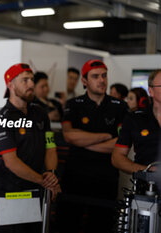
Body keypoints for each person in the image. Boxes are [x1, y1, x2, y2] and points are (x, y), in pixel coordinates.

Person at [57, 59, 128, 233]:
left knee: (101, 226)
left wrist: (84, 142)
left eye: (104, 75)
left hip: (106, 180)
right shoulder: (73, 105)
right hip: (75, 177)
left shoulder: (120, 107)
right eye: (95, 76)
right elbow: (69, 135)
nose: (101, 80)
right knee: (68, 224)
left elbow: (121, 144)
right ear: (85, 81)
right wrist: (105, 136)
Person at [0, 63, 60, 233]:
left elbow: (50, 147)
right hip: (12, 190)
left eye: (32, 80)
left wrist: (51, 173)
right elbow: (11, 162)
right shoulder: (3, 118)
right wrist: (45, 182)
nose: (31, 84)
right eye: (25, 80)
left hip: (38, 188)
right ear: (11, 85)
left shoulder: (41, 114)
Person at [112, 70, 161, 174]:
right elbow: (117, 157)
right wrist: (148, 171)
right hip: (147, 186)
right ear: (151, 91)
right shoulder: (134, 118)